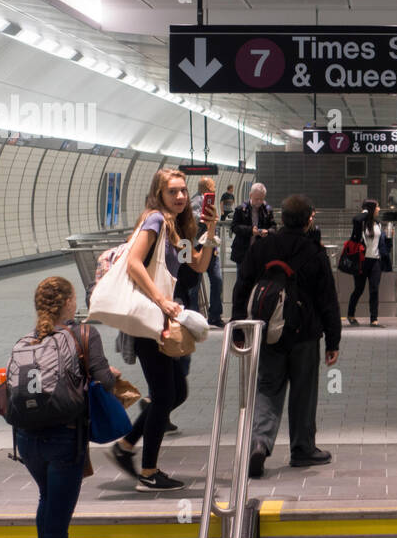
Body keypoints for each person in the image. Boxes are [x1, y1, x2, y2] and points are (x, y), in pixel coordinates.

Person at [14, 276, 118, 538]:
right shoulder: (84, 335)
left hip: (27, 442)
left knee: (46, 502)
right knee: (58, 526)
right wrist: (108, 377)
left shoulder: (28, 340)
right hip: (63, 442)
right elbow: (105, 382)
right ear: (70, 304)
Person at [108, 168, 217, 491]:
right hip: (149, 319)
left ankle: (126, 446)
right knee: (165, 393)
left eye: (183, 190)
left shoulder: (177, 226)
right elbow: (134, 262)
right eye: (173, 191)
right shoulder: (155, 220)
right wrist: (161, 300)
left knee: (175, 392)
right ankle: (148, 472)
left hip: (164, 320)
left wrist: (210, 228)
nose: (181, 196)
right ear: (159, 193)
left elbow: (198, 264)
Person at [244, 195, 341, 476]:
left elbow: (243, 285)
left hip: (268, 332)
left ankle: (259, 443)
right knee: (303, 392)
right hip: (305, 333)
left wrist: (241, 330)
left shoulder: (262, 247)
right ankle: (302, 449)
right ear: (309, 219)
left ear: (280, 217)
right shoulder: (315, 252)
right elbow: (328, 301)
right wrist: (333, 341)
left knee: (267, 389)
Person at [230, 183, 276, 321]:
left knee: (261, 283)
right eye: (256, 199)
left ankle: (257, 311)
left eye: (261, 199)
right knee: (242, 283)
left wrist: (268, 232)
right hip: (243, 253)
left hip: (261, 254)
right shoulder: (240, 209)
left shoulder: (267, 210)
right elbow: (234, 227)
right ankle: (239, 313)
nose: (259, 202)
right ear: (250, 196)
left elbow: (274, 227)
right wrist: (251, 231)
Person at [346, 199, 392, 327]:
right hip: (361, 260)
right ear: (371, 209)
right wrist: (366, 211)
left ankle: (374, 319)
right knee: (359, 289)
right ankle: (351, 315)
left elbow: (383, 244)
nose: (379, 209)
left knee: (374, 290)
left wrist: (389, 239)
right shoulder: (360, 222)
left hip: (375, 261)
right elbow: (356, 218)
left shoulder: (377, 223)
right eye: (377, 207)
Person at [190, 176, 225, 328]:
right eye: (212, 187)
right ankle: (195, 316)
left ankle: (214, 314)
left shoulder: (208, 201)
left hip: (210, 245)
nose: (214, 190)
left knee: (216, 280)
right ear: (207, 188)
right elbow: (196, 219)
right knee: (197, 283)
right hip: (199, 246)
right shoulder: (196, 202)